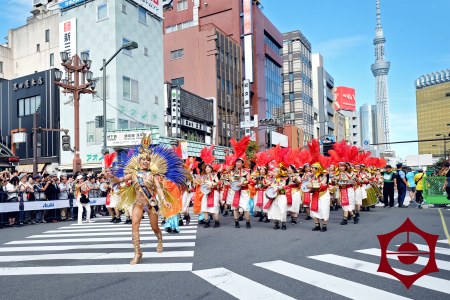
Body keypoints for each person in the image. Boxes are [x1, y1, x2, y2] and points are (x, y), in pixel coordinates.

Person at [108, 133, 185, 265]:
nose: (145, 161)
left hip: (151, 204)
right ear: (139, 161)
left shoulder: (153, 175)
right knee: (134, 225)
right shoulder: (133, 174)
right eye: (143, 159)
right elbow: (119, 180)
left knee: (154, 227)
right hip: (138, 203)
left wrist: (164, 200)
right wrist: (112, 177)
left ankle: (159, 238)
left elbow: (159, 188)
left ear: (150, 161)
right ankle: (138, 253)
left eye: (147, 159)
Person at [309, 162, 330, 232]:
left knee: (323, 209)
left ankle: (324, 226)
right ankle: (317, 225)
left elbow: (322, 185)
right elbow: (309, 184)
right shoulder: (312, 176)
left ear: (318, 169)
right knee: (314, 210)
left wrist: (311, 186)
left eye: (313, 168)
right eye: (311, 167)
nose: (311, 169)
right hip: (314, 194)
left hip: (323, 195)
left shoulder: (324, 176)